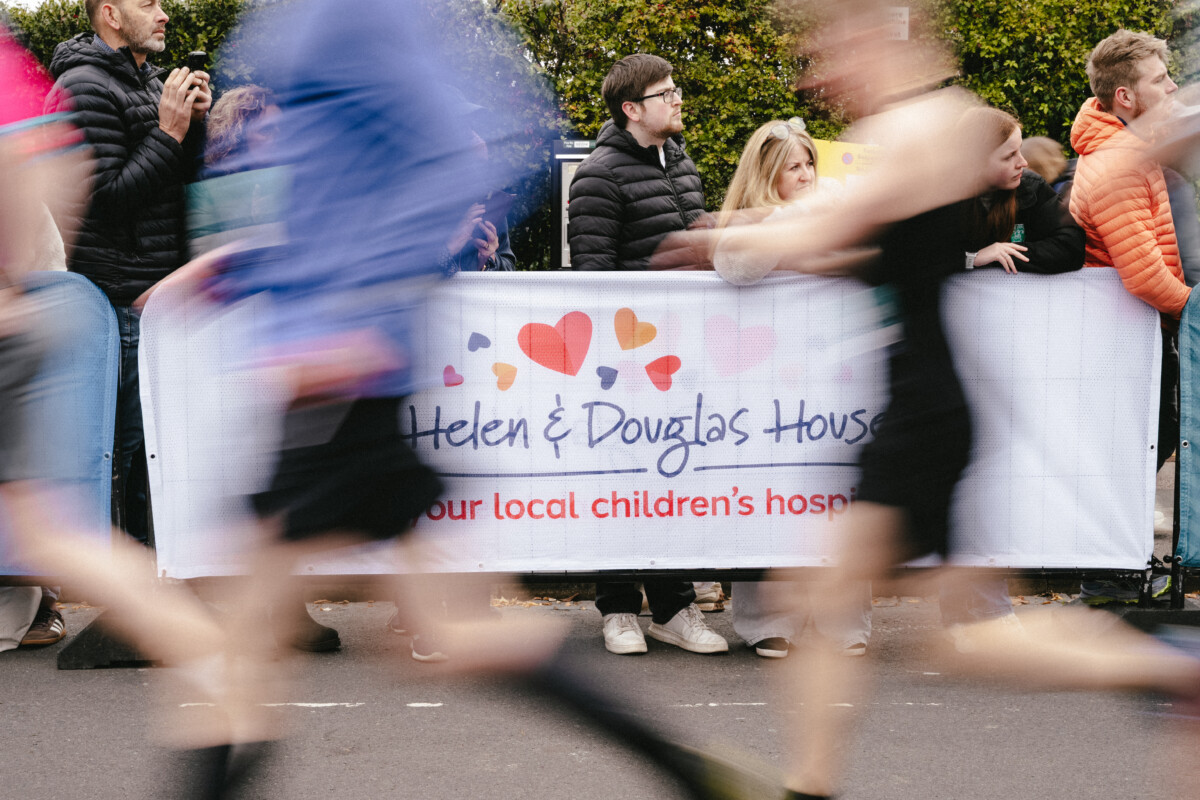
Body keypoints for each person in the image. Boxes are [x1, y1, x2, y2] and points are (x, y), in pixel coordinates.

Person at [688, 11, 1200, 796]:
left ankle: (806, 783)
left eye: (833, 44)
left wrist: (751, 232)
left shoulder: (926, 124)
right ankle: (1167, 668)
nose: (820, 65)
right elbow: (866, 248)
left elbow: (857, 217)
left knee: (828, 596)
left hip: (926, 410)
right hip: (921, 402)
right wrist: (787, 241)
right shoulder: (889, 130)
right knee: (960, 641)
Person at [567, 52, 725, 655]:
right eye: (666, 93)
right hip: (626, 364)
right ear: (632, 109)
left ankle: (673, 607)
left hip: (682, 355)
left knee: (670, 479)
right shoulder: (598, 176)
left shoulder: (679, 160)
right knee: (620, 480)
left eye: (677, 89)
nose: (678, 98)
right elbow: (594, 277)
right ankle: (617, 610)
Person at [44, 0, 210, 549]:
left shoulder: (149, 81)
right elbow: (106, 202)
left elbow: (173, 183)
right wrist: (167, 132)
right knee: (130, 449)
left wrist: (193, 126)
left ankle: (156, 576)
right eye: (149, 4)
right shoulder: (84, 87)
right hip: (121, 299)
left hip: (164, 294)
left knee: (164, 445)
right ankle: (129, 591)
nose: (164, 14)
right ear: (111, 14)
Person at [715, 118, 873, 658]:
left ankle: (842, 618)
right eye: (793, 168)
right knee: (767, 492)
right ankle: (767, 619)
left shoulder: (841, 209)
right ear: (767, 174)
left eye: (810, 164)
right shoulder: (746, 221)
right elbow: (736, 266)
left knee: (837, 491)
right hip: (761, 378)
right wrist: (795, 222)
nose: (806, 176)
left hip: (835, 372)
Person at [1068, 29, 1182, 605]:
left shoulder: (1126, 151)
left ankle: (1120, 564)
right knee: (1140, 443)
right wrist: (1191, 307)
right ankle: (1111, 573)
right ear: (1125, 98)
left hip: (1128, 334)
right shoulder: (1117, 164)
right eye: (1161, 79)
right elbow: (1142, 273)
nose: (1173, 86)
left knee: (1144, 443)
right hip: (1122, 338)